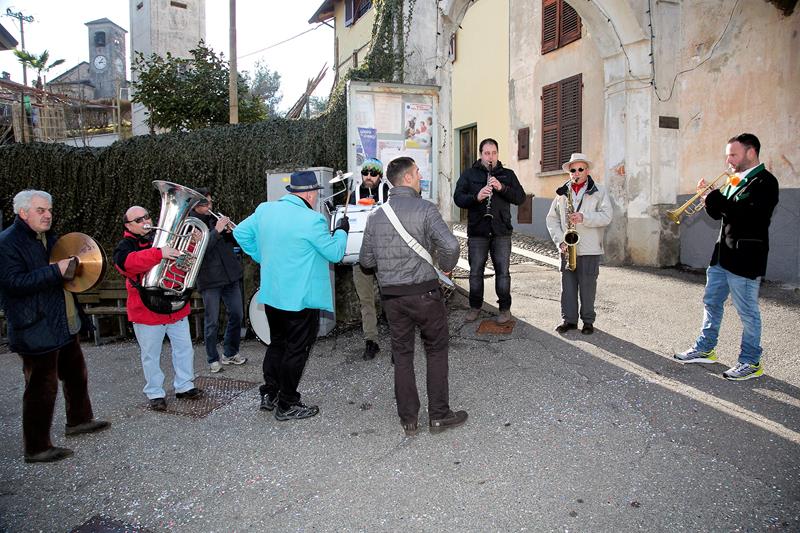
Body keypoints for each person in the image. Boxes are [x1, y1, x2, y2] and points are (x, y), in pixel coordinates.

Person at [0, 190, 109, 463]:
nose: (48, 215)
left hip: (62, 321)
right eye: (41, 210)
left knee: (76, 374)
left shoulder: (49, 238)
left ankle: (79, 420)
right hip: (35, 326)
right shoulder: (7, 243)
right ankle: (36, 448)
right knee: (41, 387)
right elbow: (13, 283)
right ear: (23, 212)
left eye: (49, 210)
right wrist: (55, 271)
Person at [360, 156, 466, 436]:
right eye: (418, 172)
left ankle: (408, 419)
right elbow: (451, 246)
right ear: (407, 178)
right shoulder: (426, 209)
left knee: (402, 354)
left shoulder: (375, 216)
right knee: (436, 351)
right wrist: (446, 267)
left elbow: (366, 261)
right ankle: (439, 415)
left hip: (393, 298)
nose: (420, 177)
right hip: (425, 293)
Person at [234, 171, 348, 421]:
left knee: (277, 344)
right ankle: (287, 403)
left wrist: (261, 255)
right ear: (310, 194)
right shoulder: (312, 220)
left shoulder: (265, 210)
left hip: (273, 295)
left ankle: (270, 393)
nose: (316, 197)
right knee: (296, 350)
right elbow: (335, 253)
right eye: (316, 192)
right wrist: (342, 231)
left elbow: (240, 232)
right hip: (300, 299)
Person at [674, 133, 779, 381]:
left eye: (733, 154)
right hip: (722, 255)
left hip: (746, 257)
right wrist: (707, 198)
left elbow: (745, 215)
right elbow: (719, 214)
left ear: (751, 152)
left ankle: (750, 361)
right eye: (727, 155)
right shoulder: (734, 180)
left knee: (747, 312)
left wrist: (714, 196)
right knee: (711, 303)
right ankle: (705, 348)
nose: (728, 160)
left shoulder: (765, 182)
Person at [113, 205, 204, 411]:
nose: (145, 221)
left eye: (147, 216)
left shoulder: (163, 237)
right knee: (150, 355)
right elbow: (126, 264)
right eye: (138, 220)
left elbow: (183, 261)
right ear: (128, 226)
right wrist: (159, 253)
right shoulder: (125, 246)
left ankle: (184, 385)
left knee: (184, 349)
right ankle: (155, 392)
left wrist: (193, 244)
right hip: (147, 309)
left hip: (174, 304)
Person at [453, 138, 526, 324]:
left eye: (494, 153)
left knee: (503, 273)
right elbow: (458, 198)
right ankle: (475, 306)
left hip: (501, 231)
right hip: (478, 231)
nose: (490, 157)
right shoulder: (469, 174)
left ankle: (504, 309)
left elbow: (520, 198)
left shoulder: (507, 174)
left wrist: (502, 188)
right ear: (481, 155)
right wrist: (476, 197)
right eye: (487, 153)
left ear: (497, 154)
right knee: (475, 272)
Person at [545, 153, 613, 335]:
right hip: (567, 248)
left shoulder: (599, 191)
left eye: (580, 169)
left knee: (588, 287)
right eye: (572, 170)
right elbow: (551, 219)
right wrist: (560, 241)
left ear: (587, 171)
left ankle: (588, 321)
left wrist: (584, 217)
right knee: (567, 287)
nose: (576, 173)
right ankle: (569, 321)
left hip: (590, 248)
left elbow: (607, 216)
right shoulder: (562, 193)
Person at [191, 189, 247, 373]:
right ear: (195, 205)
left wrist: (230, 232)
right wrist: (216, 231)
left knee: (237, 314)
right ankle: (212, 358)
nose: (210, 206)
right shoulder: (191, 225)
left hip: (230, 275)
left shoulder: (215, 219)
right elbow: (201, 250)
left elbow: (233, 244)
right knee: (212, 321)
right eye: (205, 203)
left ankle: (230, 352)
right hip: (209, 279)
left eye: (210, 202)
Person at [351, 158, 390, 360]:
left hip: (385, 255)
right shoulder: (354, 194)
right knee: (365, 300)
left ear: (380, 176)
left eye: (373, 173)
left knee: (390, 296)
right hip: (360, 254)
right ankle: (371, 341)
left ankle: (398, 340)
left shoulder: (388, 193)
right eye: (365, 172)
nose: (368, 176)